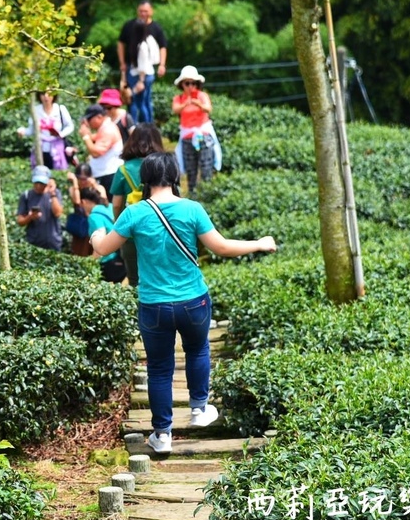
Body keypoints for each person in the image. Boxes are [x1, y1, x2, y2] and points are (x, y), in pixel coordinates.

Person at [90, 152, 276, 453]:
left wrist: (97, 233)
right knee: (198, 349)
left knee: (160, 368)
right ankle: (200, 409)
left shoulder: (134, 214)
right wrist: (260, 243)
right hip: (194, 301)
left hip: (154, 306)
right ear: (175, 176)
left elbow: (103, 248)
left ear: (145, 179)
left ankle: (162, 436)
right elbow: (221, 246)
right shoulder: (192, 209)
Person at [108, 123, 165, 288]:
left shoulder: (124, 170)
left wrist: (119, 229)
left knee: (134, 281)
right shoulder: (163, 167)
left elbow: (117, 204)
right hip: (159, 231)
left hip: (132, 233)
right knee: (158, 279)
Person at [171, 65, 220, 197]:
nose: (190, 86)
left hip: (203, 136)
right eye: (187, 83)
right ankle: (192, 195)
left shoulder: (202, 96)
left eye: (193, 83)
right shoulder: (178, 99)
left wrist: (198, 103)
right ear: (182, 84)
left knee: (206, 167)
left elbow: (208, 109)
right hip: (187, 137)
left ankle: (207, 195)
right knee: (190, 170)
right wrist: (186, 104)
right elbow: (175, 110)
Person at [117, 0, 168, 124]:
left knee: (139, 102)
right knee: (141, 102)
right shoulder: (139, 38)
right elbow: (121, 43)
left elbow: (144, 63)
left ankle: (139, 127)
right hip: (137, 72)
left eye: (145, 11)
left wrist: (141, 80)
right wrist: (123, 64)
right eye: (140, 11)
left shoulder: (143, 45)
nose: (143, 14)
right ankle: (142, 127)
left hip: (141, 74)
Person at [16, 90, 75, 170]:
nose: (46, 96)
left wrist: (61, 134)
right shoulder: (36, 110)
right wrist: (23, 131)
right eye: (43, 94)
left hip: (57, 148)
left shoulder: (60, 109)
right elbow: (32, 130)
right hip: (41, 148)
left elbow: (70, 126)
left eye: (49, 93)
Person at [81, 187, 126, 283]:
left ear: (84, 202)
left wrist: (90, 263)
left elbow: (100, 242)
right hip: (121, 256)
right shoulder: (109, 206)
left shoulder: (94, 216)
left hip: (109, 261)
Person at [77, 104, 123, 193]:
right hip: (104, 174)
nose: (88, 122)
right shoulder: (104, 128)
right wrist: (87, 133)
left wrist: (86, 136)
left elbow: (96, 152)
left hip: (109, 175)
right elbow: (95, 138)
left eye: (89, 119)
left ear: (99, 116)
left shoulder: (108, 129)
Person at [16, 165, 64, 251]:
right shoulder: (26, 196)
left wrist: (52, 193)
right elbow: (20, 221)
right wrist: (30, 217)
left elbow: (58, 213)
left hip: (53, 243)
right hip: (34, 244)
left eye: (41, 183)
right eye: (36, 182)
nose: (38, 186)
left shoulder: (55, 193)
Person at [65, 163, 108, 256]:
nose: (82, 181)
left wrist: (94, 185)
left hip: (96, 224)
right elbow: (77, 203)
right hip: (82, 227)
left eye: (84, 179)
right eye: (79, 178)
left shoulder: (99, 188)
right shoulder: (74, 189)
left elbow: (105, 203)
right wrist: (75, 183)